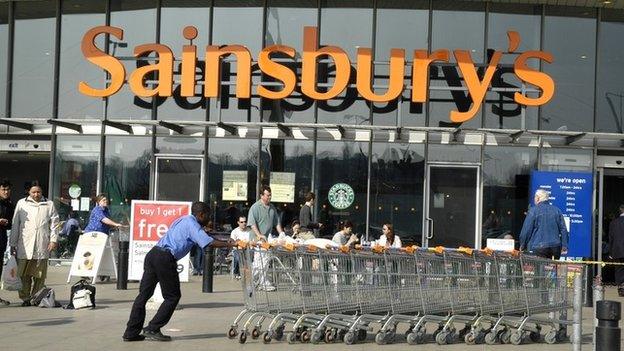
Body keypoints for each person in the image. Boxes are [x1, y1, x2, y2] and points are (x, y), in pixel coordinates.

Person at [123, 201, 233, 342]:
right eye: (207, 216)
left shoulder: (184, 219)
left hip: (153, 254)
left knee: (143, 296)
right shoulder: (193, 225)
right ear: (201, 214)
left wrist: (217, 238)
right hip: (165, 258)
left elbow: (204, 237)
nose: (209, 219)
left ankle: (131, 333)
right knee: (172, 296)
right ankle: (153, 328)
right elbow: (208, 243)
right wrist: (231, 244)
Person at [9, 182, 59, 306]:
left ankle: (36, 297)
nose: (36, 194)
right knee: (23, 275)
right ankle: (25, 298)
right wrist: (13, 243)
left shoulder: (49, 204)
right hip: (25, 244)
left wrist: (53, 240)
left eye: (38, 192)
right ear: (29, 192)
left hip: (42, 244)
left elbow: (55, 224)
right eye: (33, 192)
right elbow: (16, 224)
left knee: (39, 275)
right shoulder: (22, 203)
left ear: (42, 192)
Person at [248, 186, 284, 291]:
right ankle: (258, 281)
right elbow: (252, 224)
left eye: (270, 195)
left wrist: (281, 233)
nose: (269, 197)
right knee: (260, 261)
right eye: (267, 195)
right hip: (256, 239)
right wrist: (259, 235)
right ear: (261, 195)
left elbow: (276, 222)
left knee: (264, 261)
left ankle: (257, 280)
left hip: (266, 240)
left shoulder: (272, 208)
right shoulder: (255, 207)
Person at [519, 189, 569, 259]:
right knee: (553, 268)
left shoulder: (533, 211)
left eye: (535, 197)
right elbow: (563, 229)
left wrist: (522, 245)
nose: (534, 199)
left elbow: (526, 231)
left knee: (540, 268)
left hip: (539, 247)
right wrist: (564, 246)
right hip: (555, 247)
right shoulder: (557, 210)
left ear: (538, 198)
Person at [0, 179, 14, 306]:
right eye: (3, 189)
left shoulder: (9, 205)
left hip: (2, 240)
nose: (6, 191)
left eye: (8, 189)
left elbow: (10, 223)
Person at [609, 205, 624, 296]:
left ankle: (621, 288)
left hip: (617, 250)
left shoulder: (613, 223)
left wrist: (611, 252)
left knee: (619, 269)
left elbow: (611, 238)